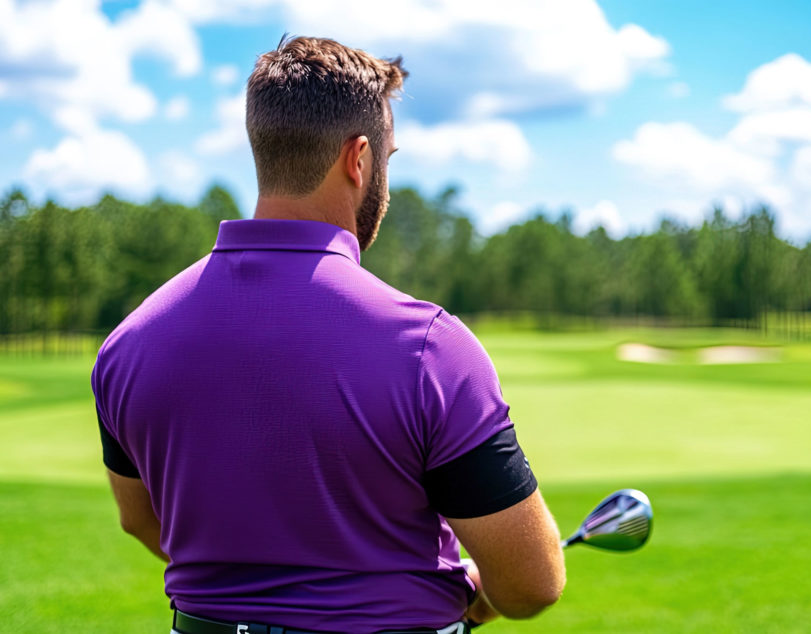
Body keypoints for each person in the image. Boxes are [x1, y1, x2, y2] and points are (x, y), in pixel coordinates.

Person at [92, 36, 565, 634]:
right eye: (388, 158)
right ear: (359, 159)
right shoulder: (428, 347)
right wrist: (471, 590)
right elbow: (532, 582)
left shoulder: (129, 342)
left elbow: (142, 522)